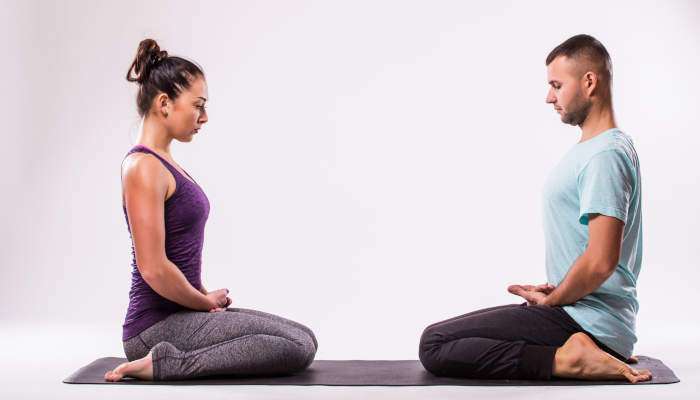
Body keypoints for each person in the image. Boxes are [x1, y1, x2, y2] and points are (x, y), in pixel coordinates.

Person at [418, 34, 651, 383]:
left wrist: (555, 299)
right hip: (582, 313)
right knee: (447, 338)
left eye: (557, 85)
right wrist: (555, 290)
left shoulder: (605, 154)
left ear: (589, 82)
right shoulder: (600, 149)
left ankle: (567, 360)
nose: (549, 97)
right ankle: (583, 348)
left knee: (435, 344)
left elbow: (602, 260)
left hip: (585, 320)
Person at [105, 39, 317, 382]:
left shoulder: (163, 163)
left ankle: (171, 355)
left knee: (303, 338)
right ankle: (162, 364)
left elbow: (174, 258)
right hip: (152, 328)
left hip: (183, 315)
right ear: (164, 104)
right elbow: (154, 268)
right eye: (197, 105)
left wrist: (200, 296)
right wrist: (203, 304)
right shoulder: (142, 167)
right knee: (296, 346)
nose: (204, 117)